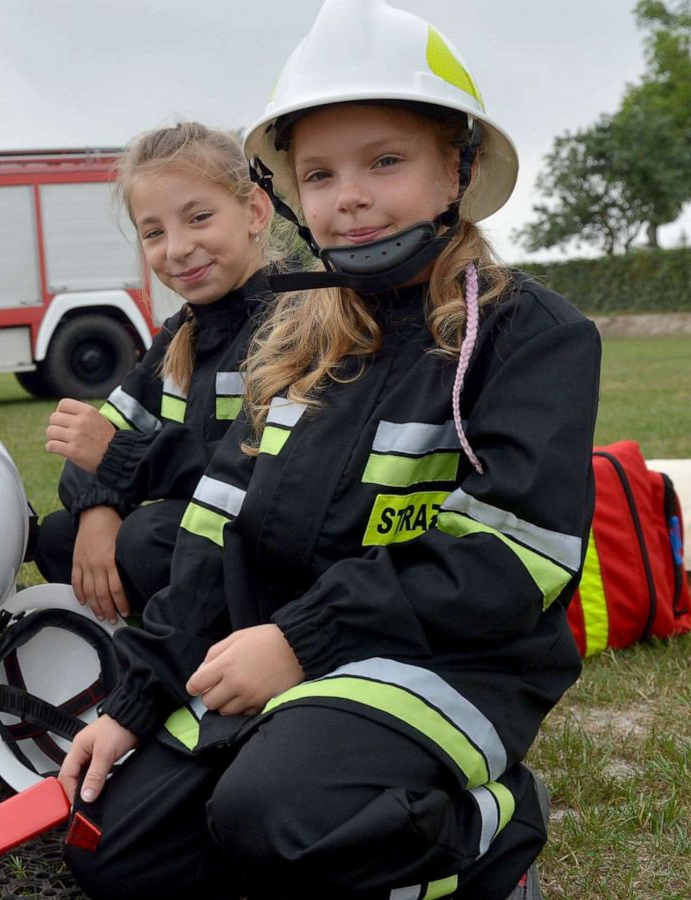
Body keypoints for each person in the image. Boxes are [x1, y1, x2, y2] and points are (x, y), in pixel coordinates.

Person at [58, 2, 601, 898]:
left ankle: (495, 834)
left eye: (385, 161)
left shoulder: (530, 335)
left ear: (456, 167)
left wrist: (304, 639)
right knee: (115, 858)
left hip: (446, 664)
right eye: (318, 174)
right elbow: (209, 536)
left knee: (277, 814)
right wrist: (138, 697)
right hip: (296, 654)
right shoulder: (296, 339)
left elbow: (516, 562)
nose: (347, 196)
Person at [37, 122, 279, 623]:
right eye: (154, 232)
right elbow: (99, 437)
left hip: (270, 554)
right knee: (63, 534)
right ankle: (130, 643)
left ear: (255, 211)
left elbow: (256, 477)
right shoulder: (180, 335)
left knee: (149, 538)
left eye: (199, 218)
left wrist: (118, 459)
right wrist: (99, 507)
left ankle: (203, 661)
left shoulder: (291, 327)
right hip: (193, 539)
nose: (177, 248)